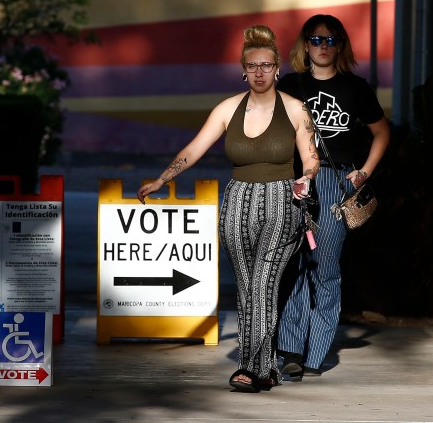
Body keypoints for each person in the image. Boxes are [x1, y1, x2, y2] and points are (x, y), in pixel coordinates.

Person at [137, 25, 320, 392]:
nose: (259, 72)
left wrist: (307, 177)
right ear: (242, 70)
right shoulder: (227, 108)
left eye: (266, 65)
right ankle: (267, 369)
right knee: (248, 286)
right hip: (237, 200)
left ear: (277, 69)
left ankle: (251, 369)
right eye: (252, 66)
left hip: (282, 200)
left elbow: (311, 157)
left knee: (263, 282)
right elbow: (194, 148)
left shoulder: (296, 109)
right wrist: (161, 179)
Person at [275, 14, 390, 379]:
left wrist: (364, 172)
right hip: (294, 183)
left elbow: (382, 132)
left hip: (334, 184)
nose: (322, 46)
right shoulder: (289, 84)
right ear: (304, 44)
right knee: (294, 266)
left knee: (324, 268)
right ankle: (291, 349)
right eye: (315, 39)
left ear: (340, 46)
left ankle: (316, 352)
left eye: (330, 40)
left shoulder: (355, 88)